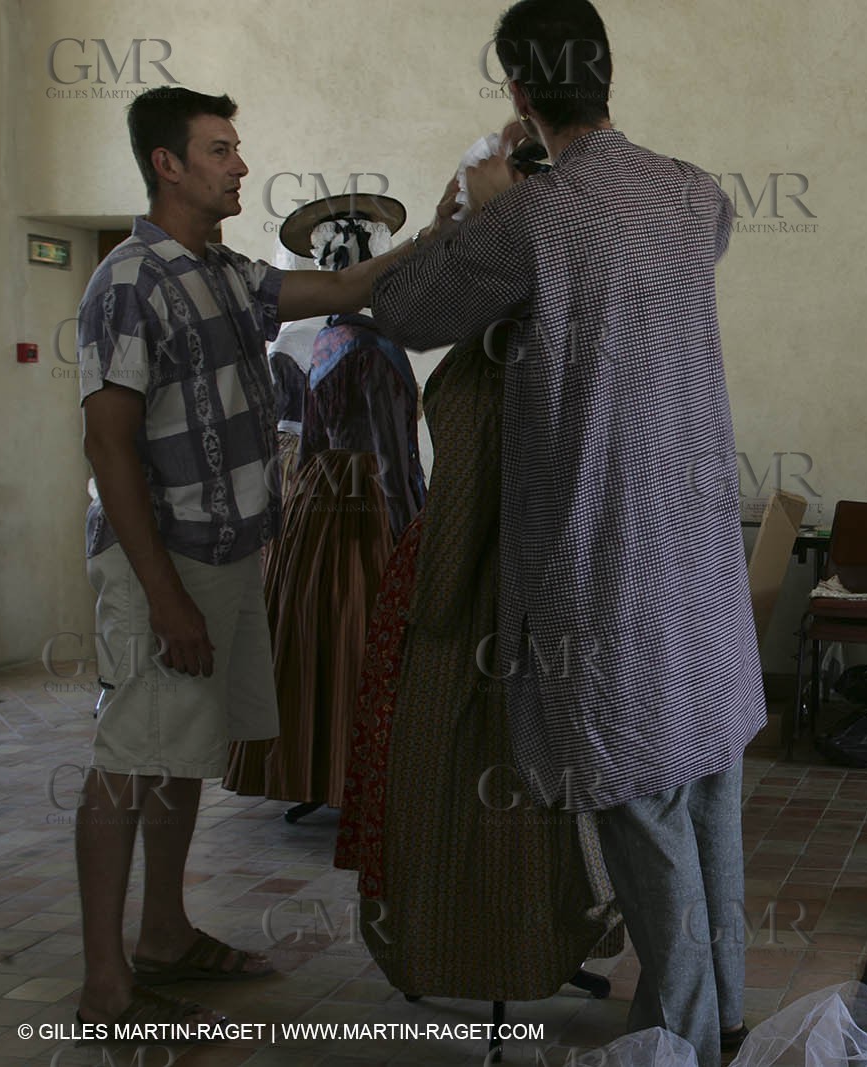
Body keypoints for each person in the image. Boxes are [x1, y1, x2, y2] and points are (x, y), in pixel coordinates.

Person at [369, 3, 763, 1063]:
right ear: (608, 73)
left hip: (606, 556)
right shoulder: (695, 195)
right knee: (710, 781)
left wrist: (473, 205)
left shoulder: (530, 221)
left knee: (639, 797)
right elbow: (695, 240)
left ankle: (681, 1036)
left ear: (518, 95)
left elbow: (403, 312)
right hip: (701, 551)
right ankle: (723, 1011)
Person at [75, 85, 429, 1027]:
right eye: (221, 149)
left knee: (183, 751)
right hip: (164, 564)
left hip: (228, 560)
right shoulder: (127, 283)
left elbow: (353, 288)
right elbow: (109, 446)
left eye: (236, 148)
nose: (240, 164)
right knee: (127, 759)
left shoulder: (227, 275)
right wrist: (165, 596)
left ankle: (164, 932)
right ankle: (105, 978)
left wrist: (455, 222)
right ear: (169, 164)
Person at [334, 120, 624, 1001]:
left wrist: (445, 589)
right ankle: (495, 944)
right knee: (482, 771)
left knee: (487, 771)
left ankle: (494, 947)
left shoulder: (523, 337)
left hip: (486, 577)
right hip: (526, 571)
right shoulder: (564, 316)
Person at [224, 196, 426, 812]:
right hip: (366, 503)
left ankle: (317, 765)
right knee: (365, 632)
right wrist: (414, 530)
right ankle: (363, 773)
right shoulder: (378, 350)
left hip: (318, 499)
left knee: (313, 634)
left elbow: (310, 440)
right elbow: (394, 459)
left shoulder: (324, 342)